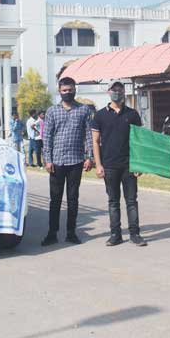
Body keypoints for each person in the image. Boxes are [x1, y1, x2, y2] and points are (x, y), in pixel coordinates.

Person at [92, 81, 147, 247]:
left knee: (131, 201)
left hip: (129, 165)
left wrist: (139, 164)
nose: (117, 92)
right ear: (108, 92)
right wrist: (98, 164)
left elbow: (139, 141)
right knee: (113, 201)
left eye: (120, 89)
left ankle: (135, 234)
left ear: (124, 92)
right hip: (109, 165)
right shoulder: (100, 115)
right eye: (114, 89)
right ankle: (115, 234)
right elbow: (95, 141)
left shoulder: (132, 114)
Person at [41, 77, 93, 246]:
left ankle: (71, 232)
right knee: (55, 200)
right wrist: (48, 160)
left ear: (75, 90)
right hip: (56, 162)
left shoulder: (84, 110)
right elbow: (47, 137)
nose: (67, 93)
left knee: (73, 199)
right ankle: (52, 233)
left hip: (76, 161)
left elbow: (88, 135)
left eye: (70, 90)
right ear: (59, 91)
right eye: (64, 90)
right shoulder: (52, 111)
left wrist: (89, 157)